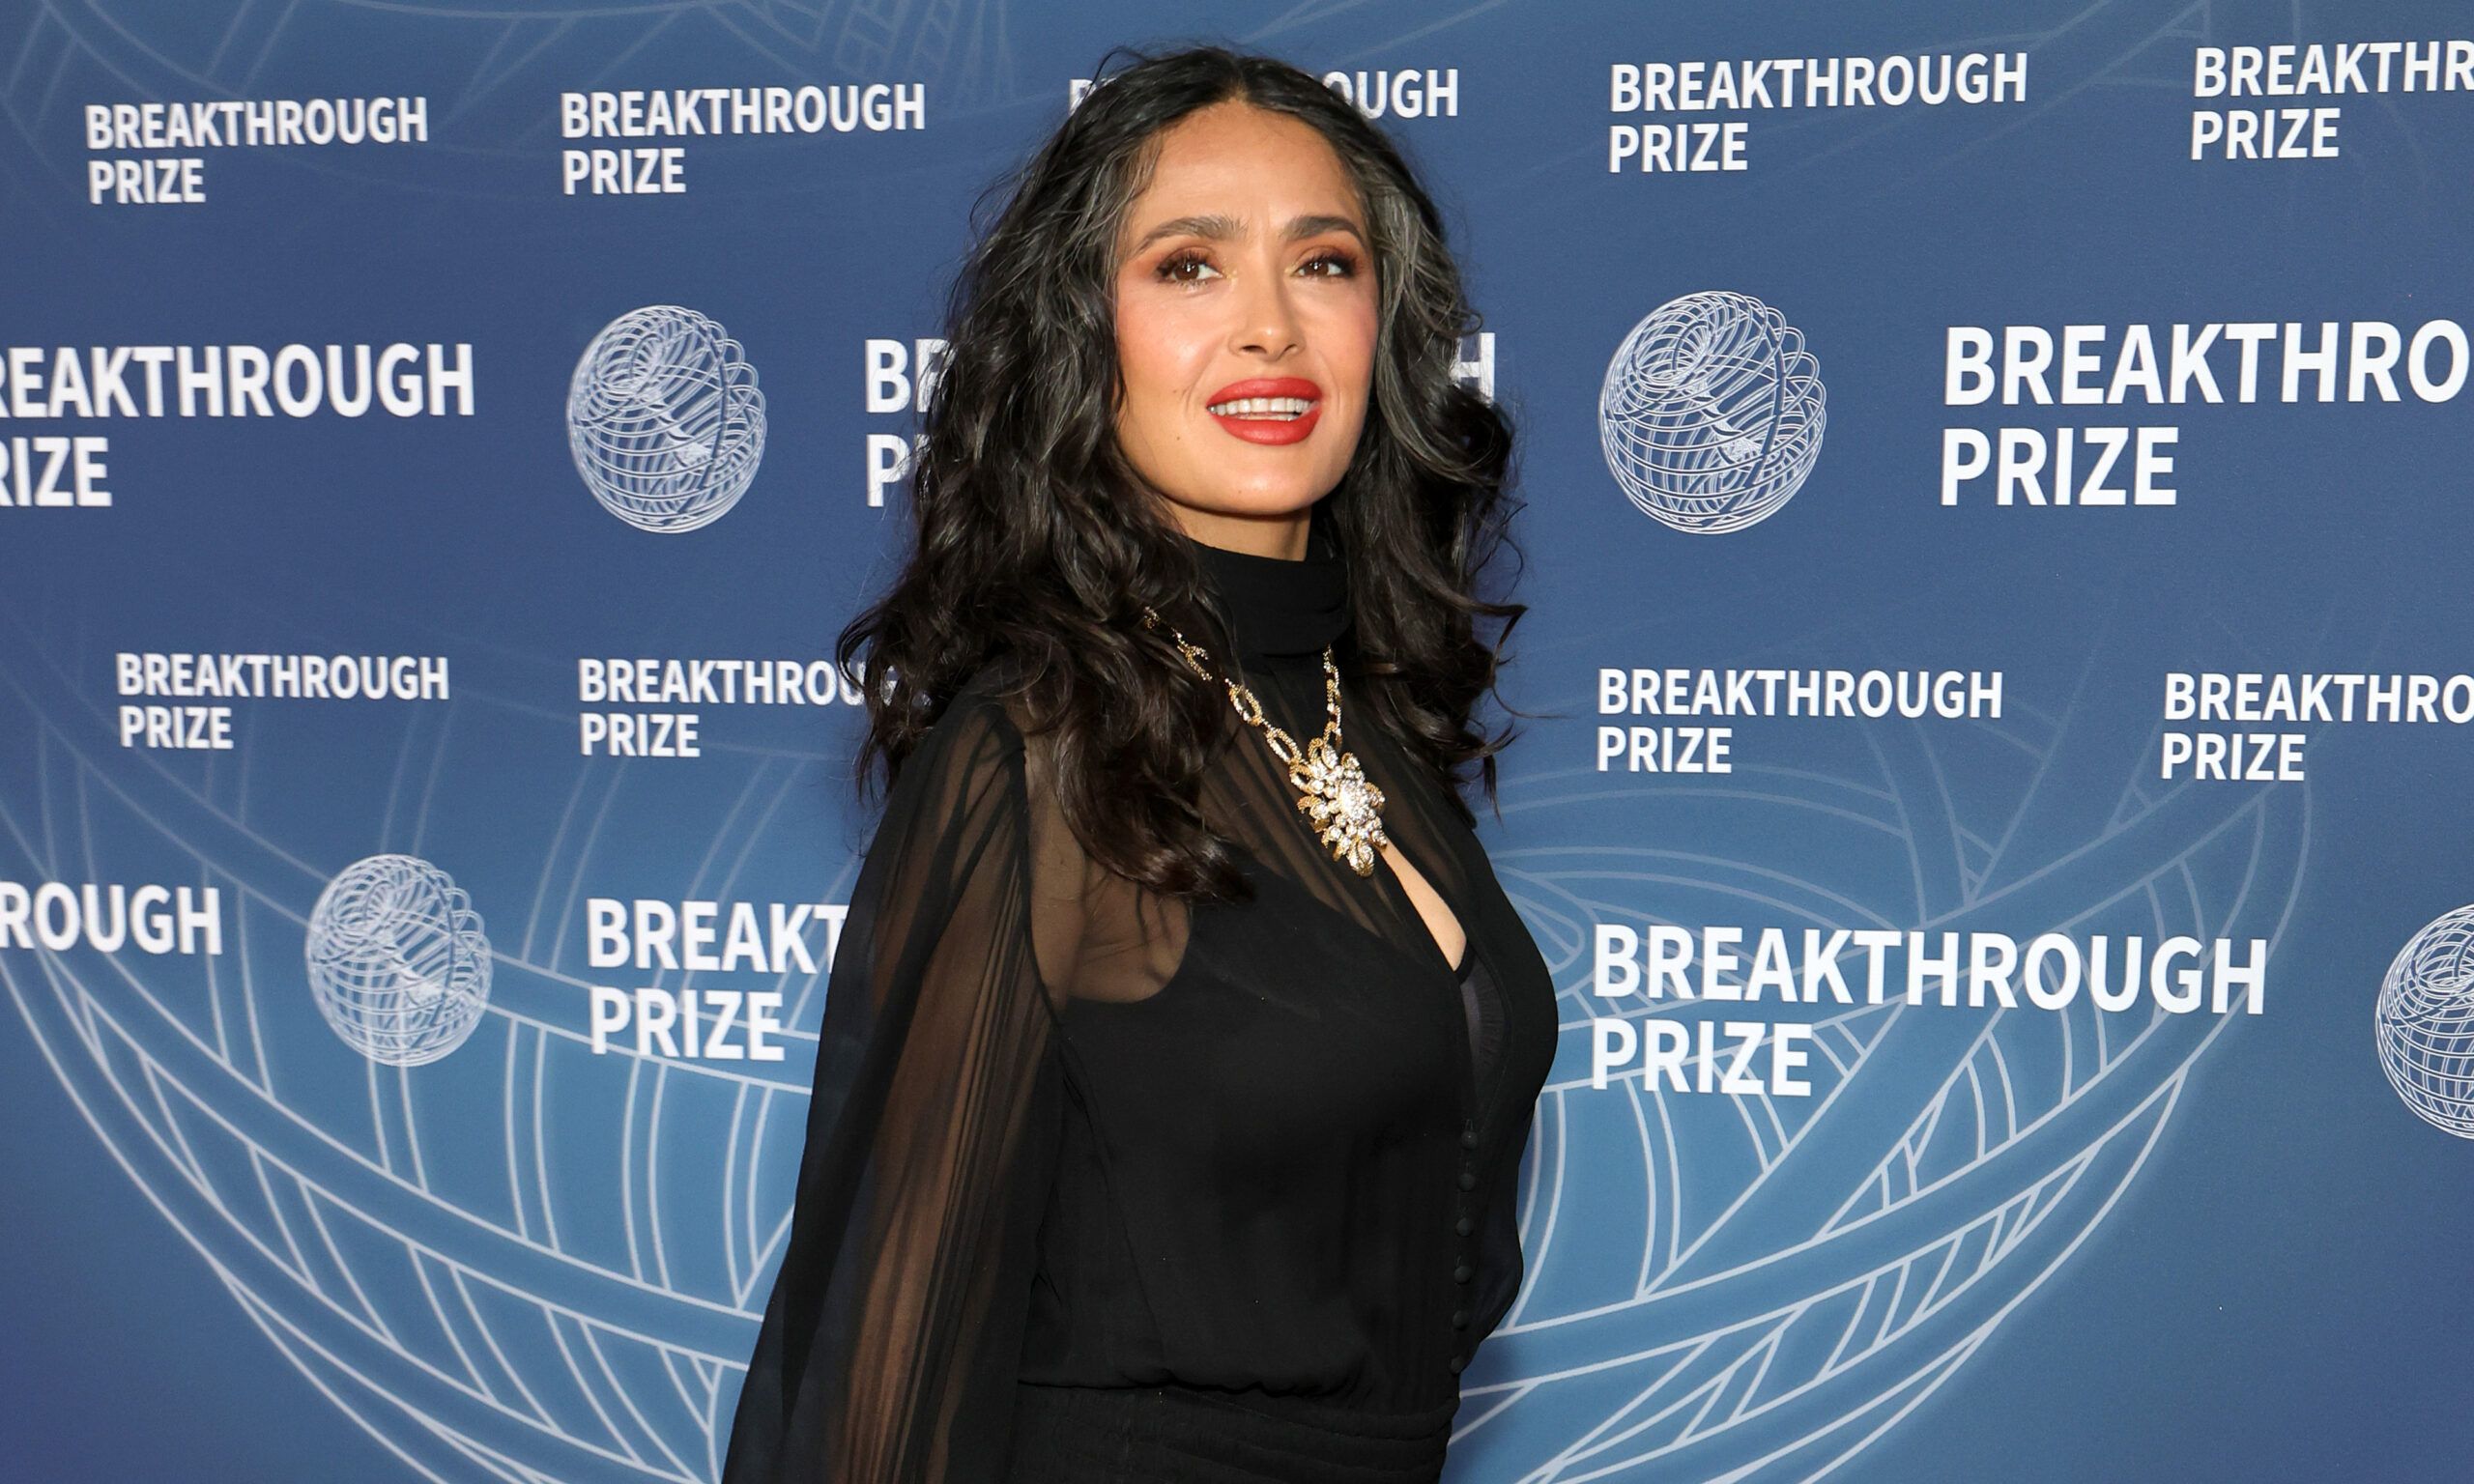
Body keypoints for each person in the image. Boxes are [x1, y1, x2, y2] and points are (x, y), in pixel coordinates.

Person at [721, 43, 1556, 1484]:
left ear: (1388, 325)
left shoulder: (1368, 715)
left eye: (1326, 265)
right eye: (1187, 266)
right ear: (1079, 335)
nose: (1271, 330)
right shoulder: (1039, 754)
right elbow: (888, 1359)